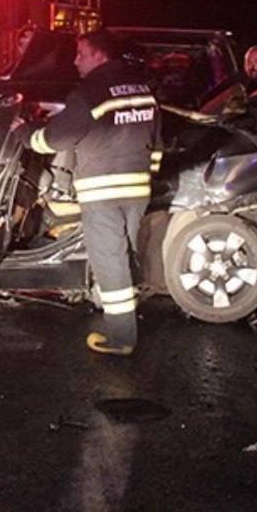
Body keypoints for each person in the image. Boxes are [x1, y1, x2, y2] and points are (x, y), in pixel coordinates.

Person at [18, 28, 159, 356]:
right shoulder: (141, 88)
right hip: (137, 189)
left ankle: (121, 338)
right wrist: (146, 176)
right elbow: (156, 141)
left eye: (81, 54)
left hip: (102, 192)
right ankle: (123, 315)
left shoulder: (90, 92)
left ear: (99, 55)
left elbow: (55, 140)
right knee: (124, 255)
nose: (75, 61)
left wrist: (24, 133)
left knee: (110, 261)